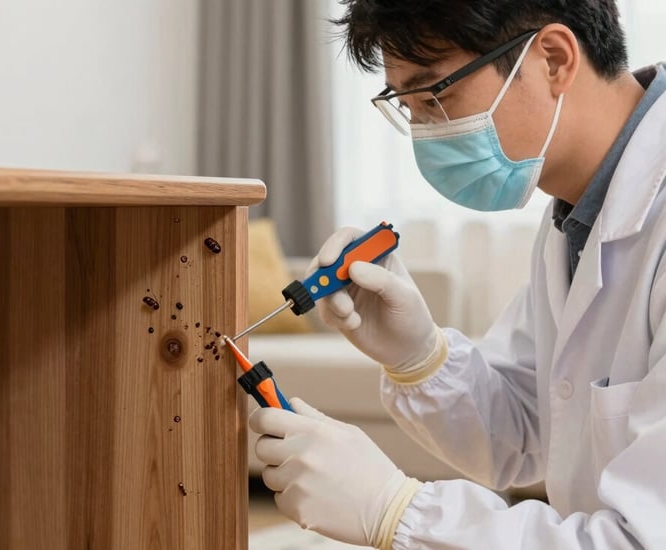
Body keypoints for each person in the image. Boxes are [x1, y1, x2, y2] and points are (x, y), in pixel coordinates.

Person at [248, 1, 666, 548]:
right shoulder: (575, 216)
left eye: (436, 96)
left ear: (554, 59)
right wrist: (419, 357)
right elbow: (520, 435)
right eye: (407, 104)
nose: (423, 132)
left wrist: (397, 511)